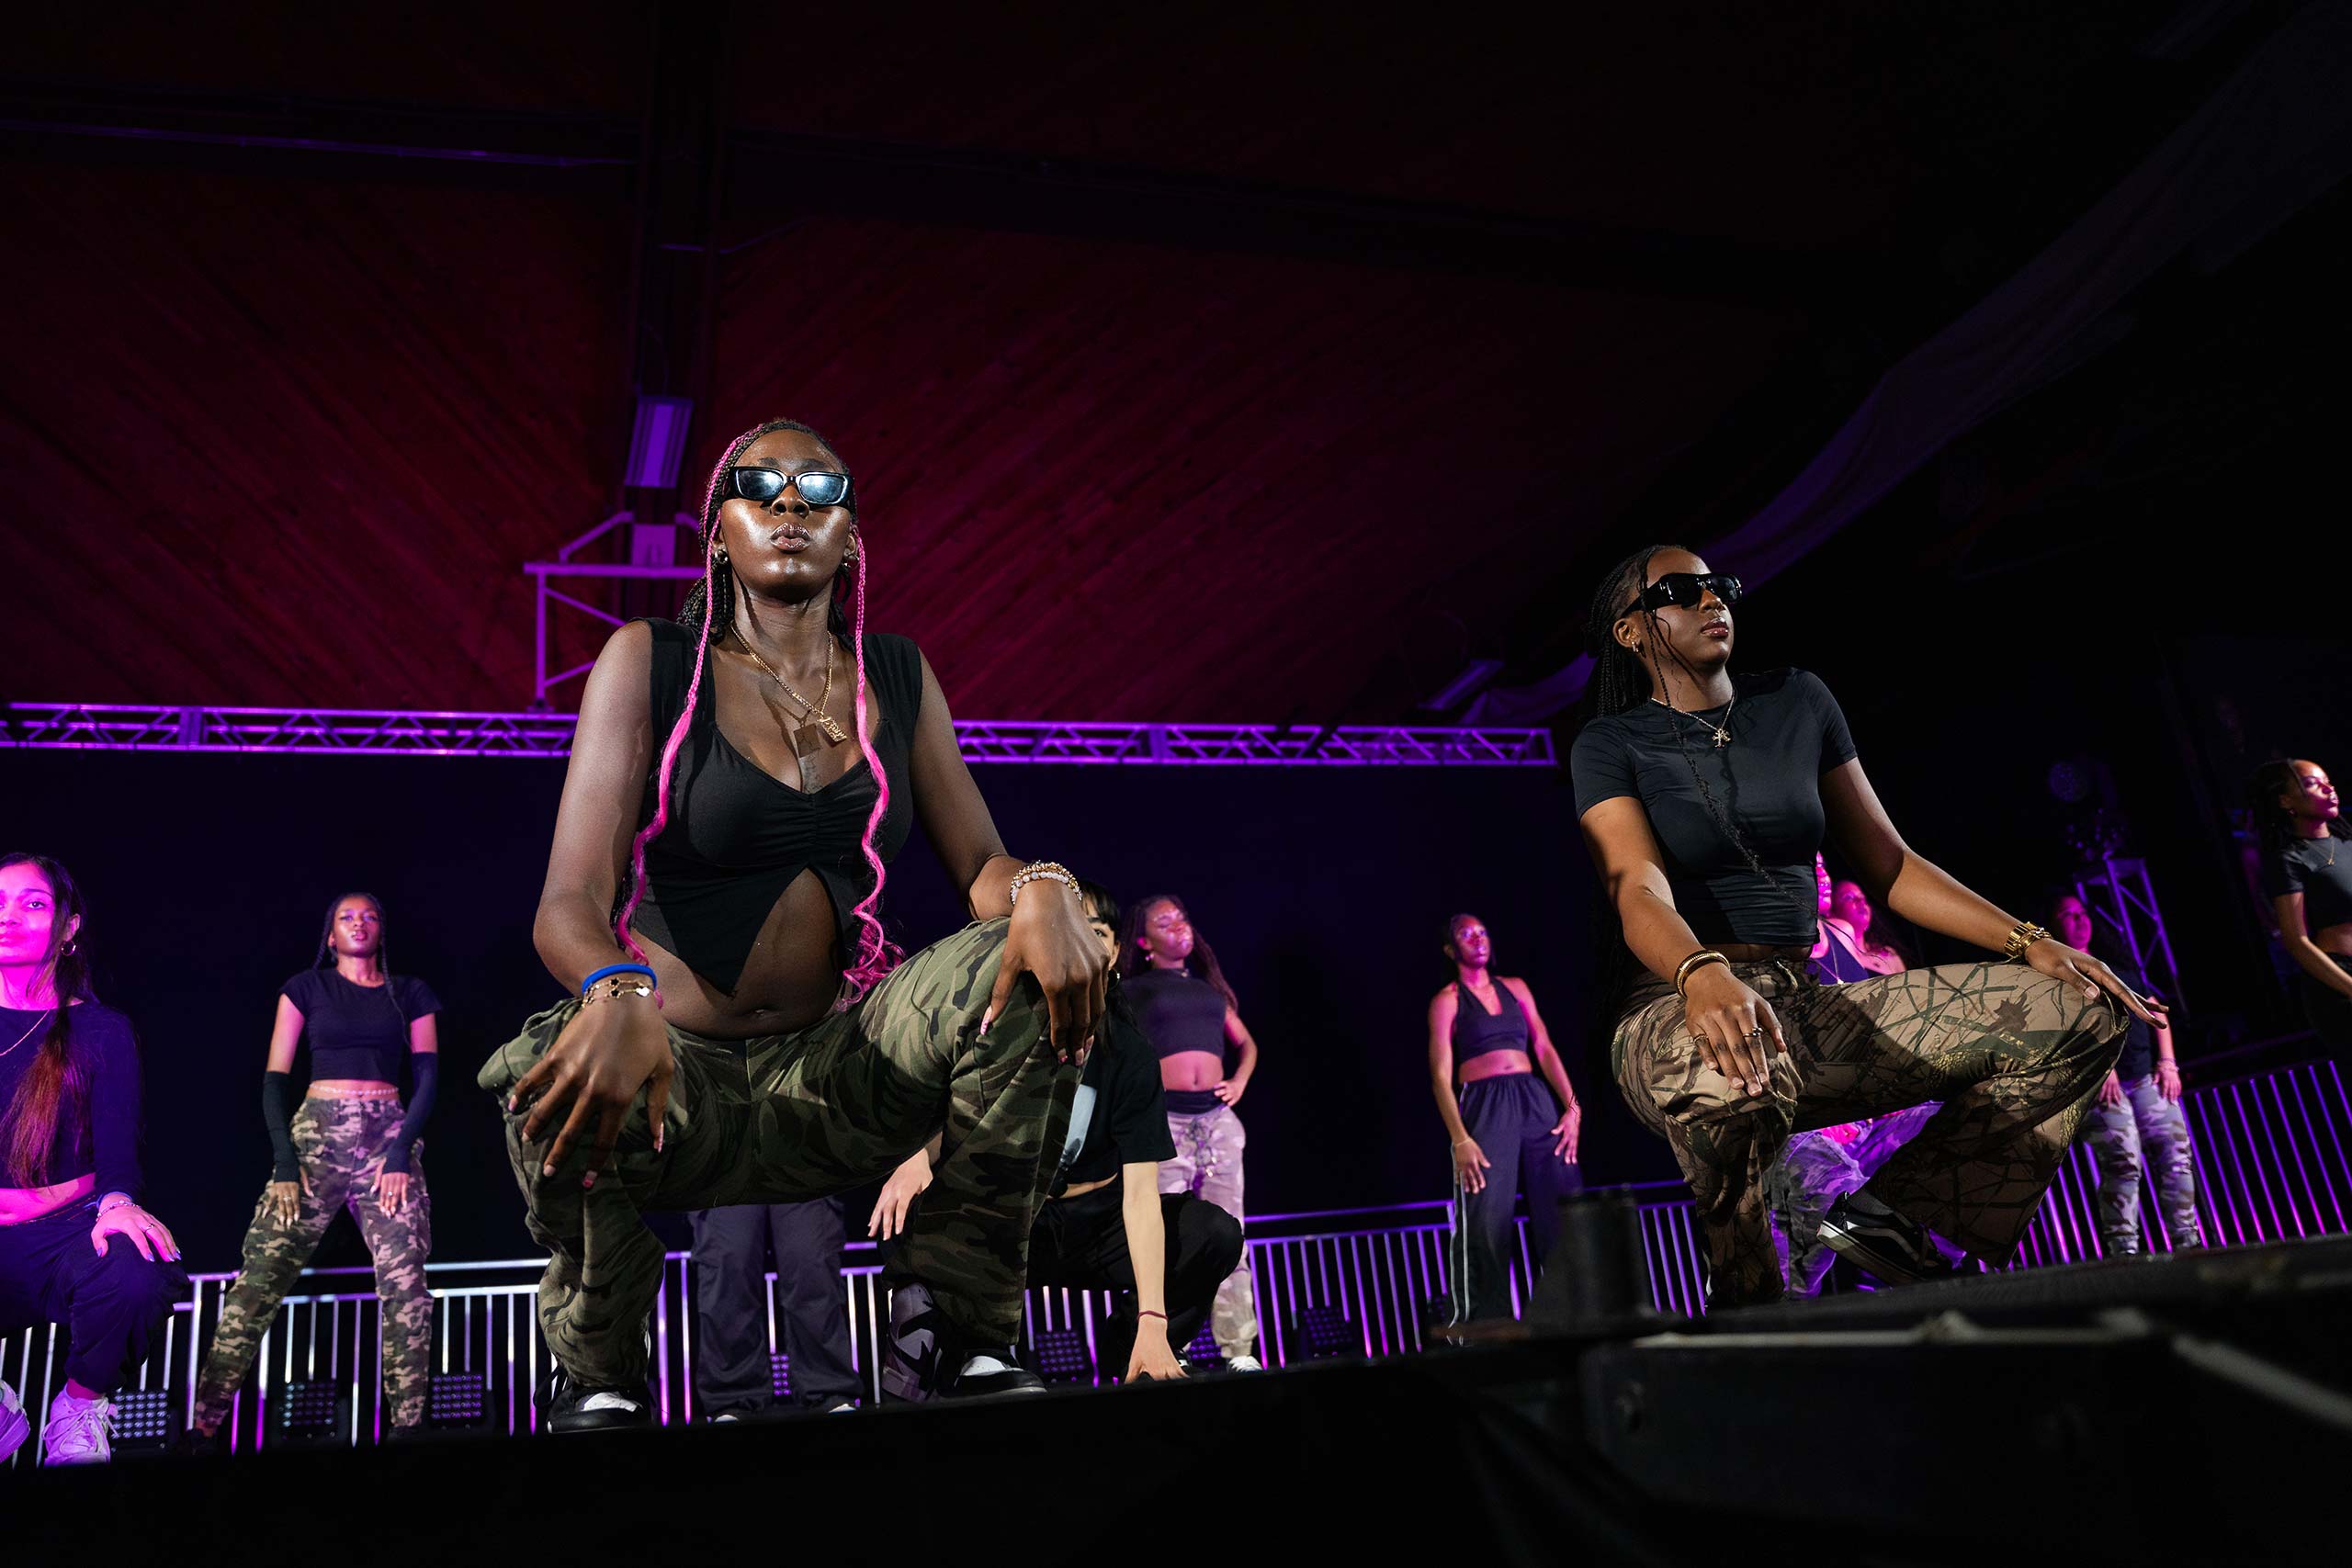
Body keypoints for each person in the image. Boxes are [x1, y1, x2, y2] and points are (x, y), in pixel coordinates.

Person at [480, 419, 1103, 1427]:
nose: (789, 504)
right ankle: (599, 1361)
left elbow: (981, 865)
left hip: (836, 1077)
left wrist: (1040, 887)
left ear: (851, 533)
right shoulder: (648, 662)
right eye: (758, 483)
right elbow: (567, 904)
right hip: (678, 1083)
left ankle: (965, 1326)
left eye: (820, 487)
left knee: (1027, 951)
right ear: (716, 529)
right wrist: (617, 986)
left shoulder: (894, 674)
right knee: (541, 1070)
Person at [1569, 546, 2150, 1306]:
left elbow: (1893, 865)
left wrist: (2033, 941)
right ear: (1633, 632)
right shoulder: (1611, 745)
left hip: (1805, 1006)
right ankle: (1749, 1294)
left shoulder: (1798, 701)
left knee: (2080, 1013)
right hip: (1673, 1007)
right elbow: (1636, 887)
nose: (1713, 600)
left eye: (1721, 586)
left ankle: (1889, 1222)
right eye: (1683, 591)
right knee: (1734, 1080)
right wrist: (1699, 971)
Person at [869, 882, 1242, 1383]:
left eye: (1099, 931)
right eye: (1073, 928)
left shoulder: (1129, 1052)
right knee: (913, 1210)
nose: (1084, 941)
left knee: (1213, 1231)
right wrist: (916, 1157)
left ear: (1112, 952)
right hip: (1022, 1219)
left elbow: (1139, 1197)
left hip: (1099, 1220)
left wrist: (1154, 1322)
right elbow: (955, 1108)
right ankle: (982, 1354)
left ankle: (1136, 1347)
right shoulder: (1002, 1023)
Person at [190, 892, 440, 1442]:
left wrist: (399, 1153)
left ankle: (409, 1430)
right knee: (259, 1277)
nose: (358, 923)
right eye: (346, 917)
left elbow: (428, 1078)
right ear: (330, 935)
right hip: (316, 1135)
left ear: (382, 930)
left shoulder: (410, 993)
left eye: (370, 915)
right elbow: (275, 1079)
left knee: (406, 1282)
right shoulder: (305, 988)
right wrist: (284, 1161)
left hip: (387, 1137)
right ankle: (203, 1427)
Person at [0, 853, 185, 1466]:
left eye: (32, 902)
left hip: (63, 1233)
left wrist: (117, 1203)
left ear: (69, 925)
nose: (8, 916)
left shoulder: (100, 1029)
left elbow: (117, 1151)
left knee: (139, 1268)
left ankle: (78, 1408)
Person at [1118, 895, 1264, 1370]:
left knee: (1232, 1237)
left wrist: (1239, 1081)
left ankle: (1238, 1349)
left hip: (1217, 1124)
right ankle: (1167, 1341)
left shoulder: (1208, 991)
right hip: (1167, 1125)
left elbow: (1247, 1045)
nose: (1179, 924)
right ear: (1144, 940)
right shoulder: (1134, 988)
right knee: (1164, 1238)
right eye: (1165, 921)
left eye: (1182, 917)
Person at [1426, 913, 1582, 1324]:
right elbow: (1441, 1077)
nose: (1478, 939)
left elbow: (1544, 1046)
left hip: (1534, 1100)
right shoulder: (1448, 1000)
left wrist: (1572, 1108)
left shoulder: (1515, 988)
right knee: (1487, 1215)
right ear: (1450, 949)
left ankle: (1572, 1311)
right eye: (1466, 934)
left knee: (1562, 1202)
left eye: (1482, 931)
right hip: (1485, 1105)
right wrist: (1460, 1138)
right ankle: (1487, 1324)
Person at [2055, 894, 2202, 1255]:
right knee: (2124, 1161)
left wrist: (2167, 1063)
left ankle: (2189, 1242)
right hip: (2101, 1086)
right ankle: (2124, 1251)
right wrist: (2100, 1068)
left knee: (2176, 1156)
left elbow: (2157, 1013)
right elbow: (2058, 1036)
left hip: (2143, 1078)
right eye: (2067, 915)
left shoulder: (2118, 965)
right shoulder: (2056, 976)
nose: (2078, 920)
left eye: (2082, 913)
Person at [688, 1196, 858, 1419]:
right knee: (730, 1268)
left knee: (809, 1263)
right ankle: (734, 1397)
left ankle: (828, 1390)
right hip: (727, 1169)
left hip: (799, 1166)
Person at [2249, 759, 2352, 1053]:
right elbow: (2297, 941)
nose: (2327, 787)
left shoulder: (2348, 844)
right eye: (2311, 783)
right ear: (2285, 801)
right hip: (2339, 981)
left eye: (2327, 780)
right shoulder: (2290, 859)